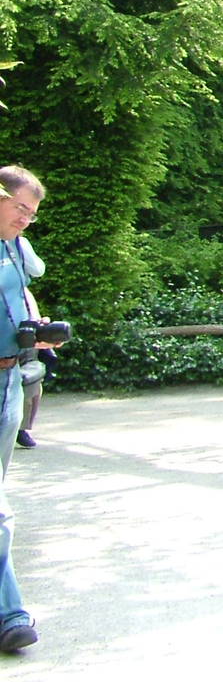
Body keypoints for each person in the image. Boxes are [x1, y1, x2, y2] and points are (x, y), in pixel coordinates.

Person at [0, 164, 62, 654]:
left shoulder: (16, 249)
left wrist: (36, 329)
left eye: (32, 213)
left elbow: (24, 290)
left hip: (8, 381)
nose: (25, 218)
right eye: (20, 208)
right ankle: (11, 614)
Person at [16, 238, 46, 450]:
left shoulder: (18, 242)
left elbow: (37, 269)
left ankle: (22, 427)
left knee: (31, 373)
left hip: (21, 313)